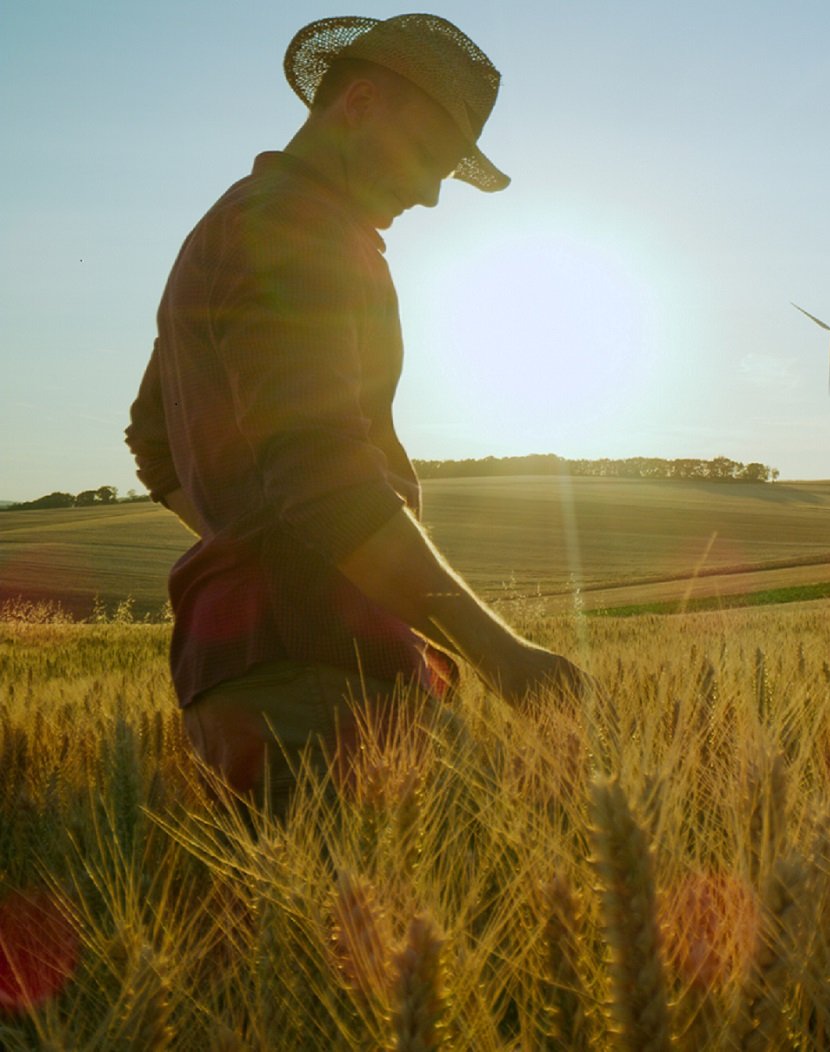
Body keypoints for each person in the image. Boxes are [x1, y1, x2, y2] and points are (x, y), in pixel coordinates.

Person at [124, 14, 589, 814]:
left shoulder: (235, 222)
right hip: (316, 676)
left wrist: (247, 533)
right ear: (362, 104)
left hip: (246, 674)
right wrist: (503, 656)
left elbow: (154, 441)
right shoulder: (299, 230)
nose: (431, 194)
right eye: (428, 161)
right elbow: (325, 477)